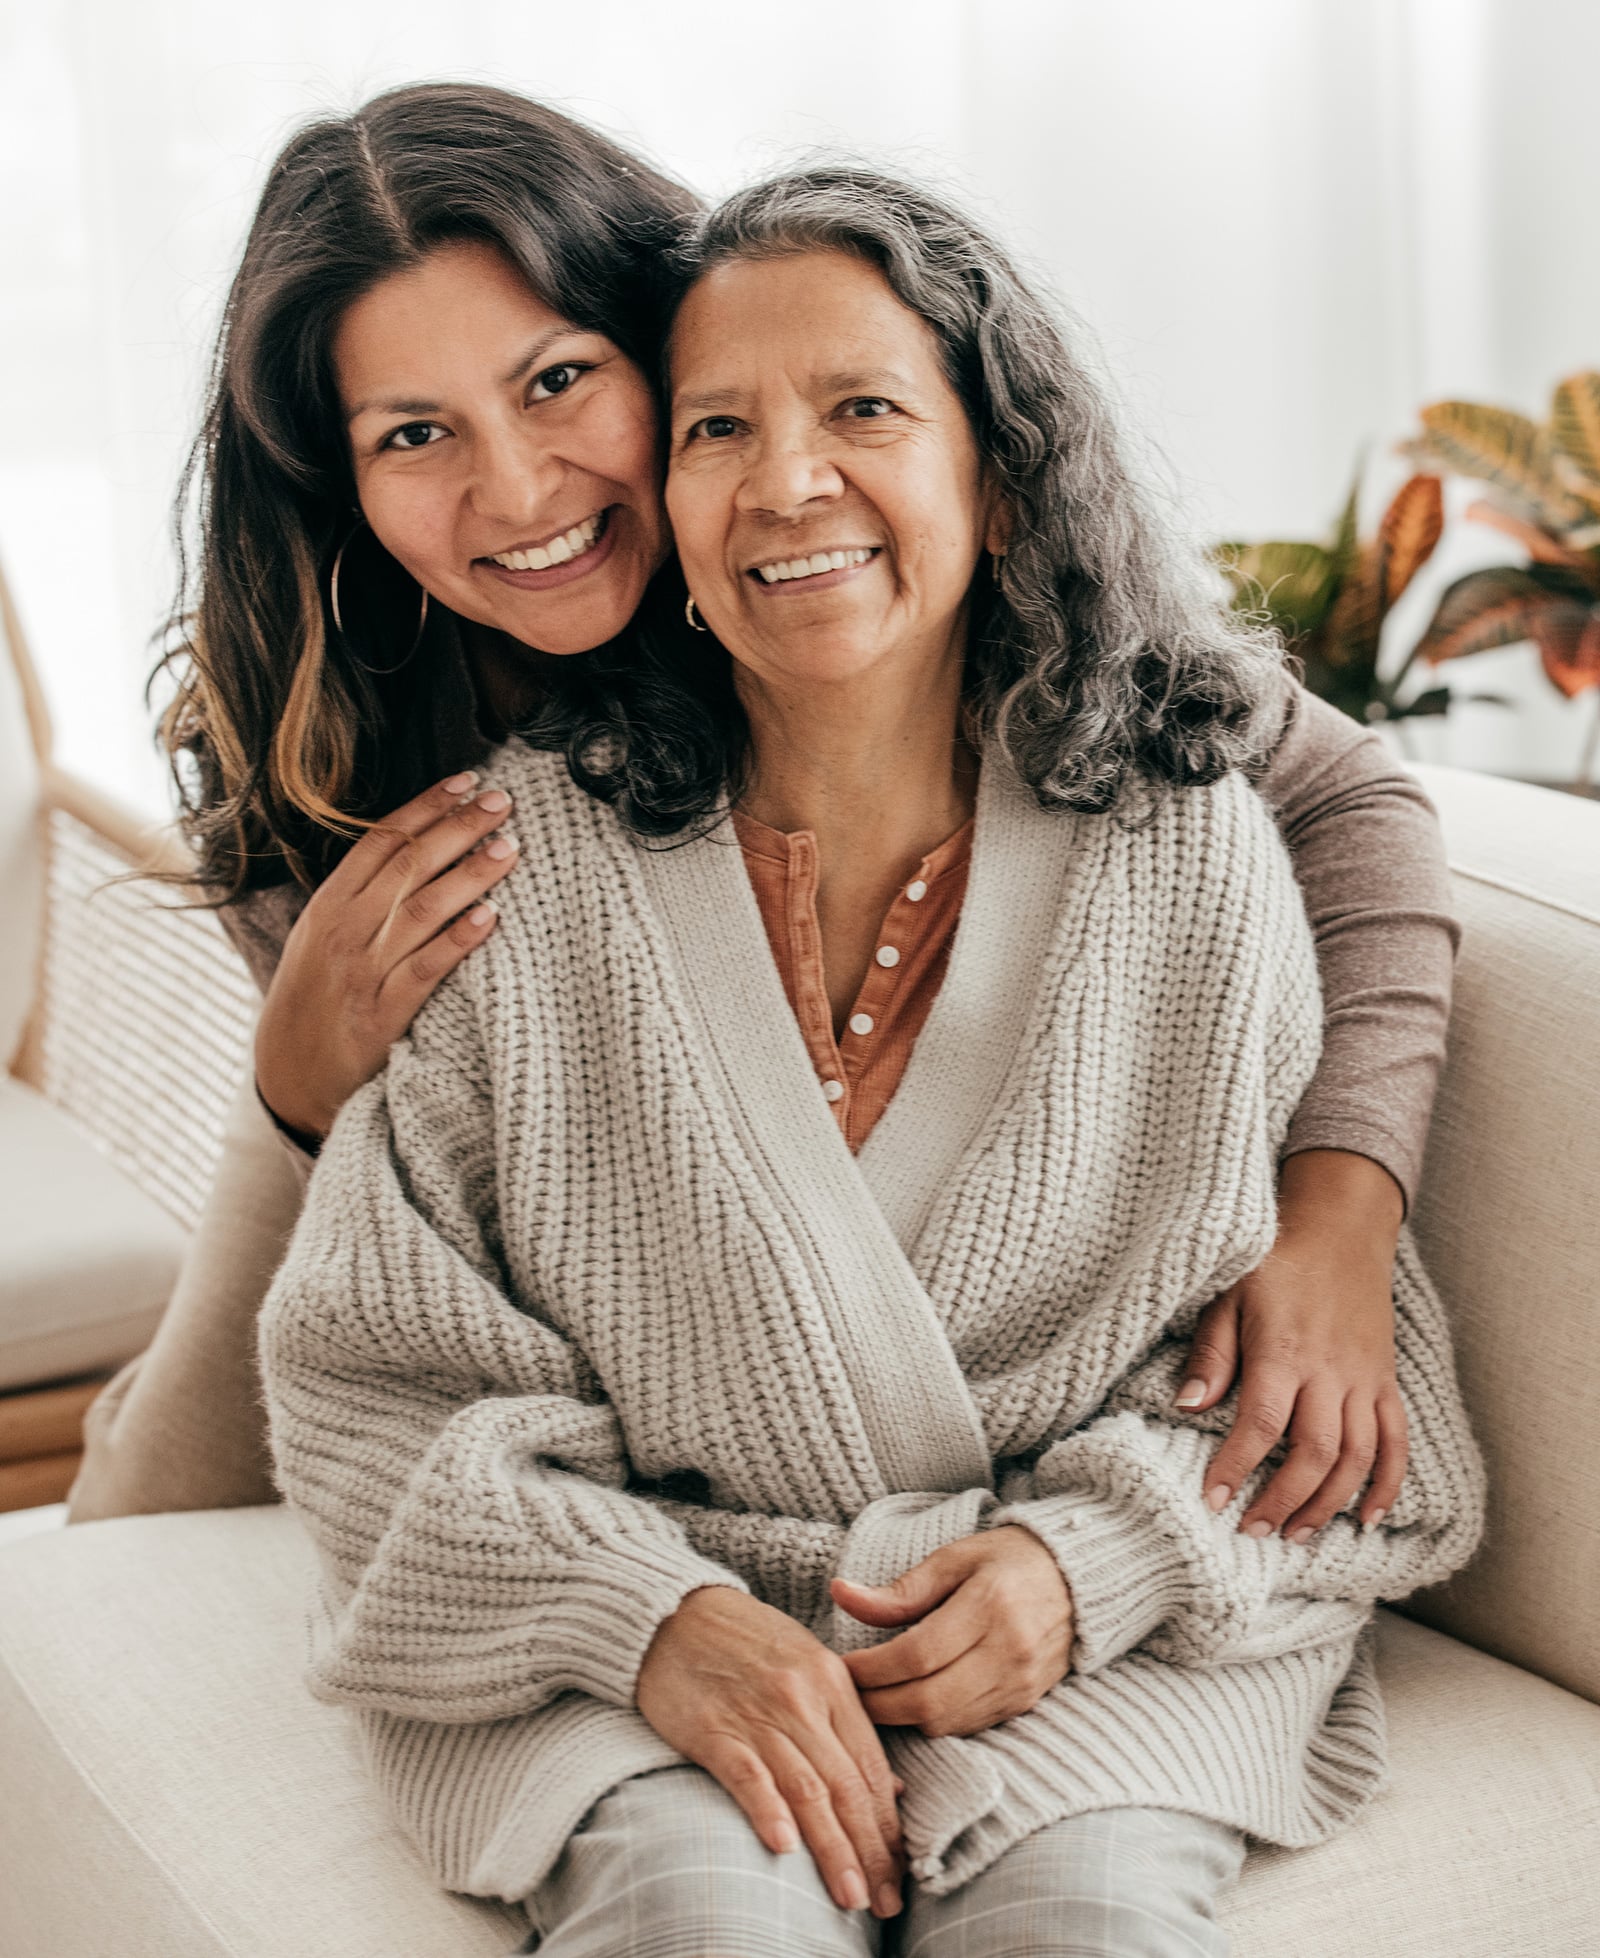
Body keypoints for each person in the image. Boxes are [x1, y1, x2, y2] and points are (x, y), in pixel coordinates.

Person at [257, 167, 1484, 1956]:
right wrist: (644, 1618)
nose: (786, 481)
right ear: (666, 504)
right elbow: (368, 1380)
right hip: (649, 1643)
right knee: (698, 1925)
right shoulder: (504, 873)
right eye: (718, 427)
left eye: (865, 410)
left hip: (1089, 1642)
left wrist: (1096, 1562)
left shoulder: (1189, 846)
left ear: (1001, 475)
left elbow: (1347, 1432)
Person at [70, 82, 1452, 1558]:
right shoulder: (335, 740)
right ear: (339, 481)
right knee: (127, 1535)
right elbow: (395, 1283)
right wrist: (292, 1089)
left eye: (556, 382)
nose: (519, 485)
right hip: (347, 1168)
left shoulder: (863, 587)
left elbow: (1348, 797)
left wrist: (1340, 1209)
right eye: (414, 433)